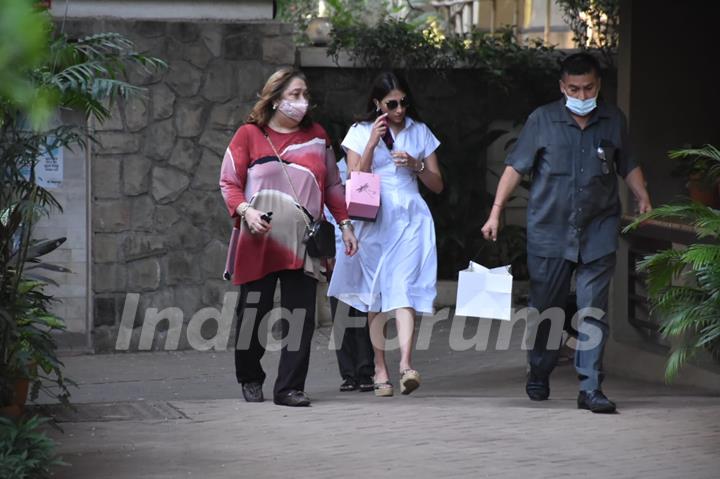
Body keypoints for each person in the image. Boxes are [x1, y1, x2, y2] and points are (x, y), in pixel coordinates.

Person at [481, 52, 652, 413]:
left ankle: (590, 387)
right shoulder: (542, 120)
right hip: (550, 231)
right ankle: (540, 368)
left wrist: (643, 197)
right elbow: (515, 168)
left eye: (588, 87)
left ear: (598, 85)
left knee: (593, 310)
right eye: (574, 88)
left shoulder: (612, 121)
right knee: (547, 309)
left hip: (599, 230)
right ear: (562, 87)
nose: (582, 93)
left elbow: (629, 162)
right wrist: (495, 212)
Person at [219, 67, 359, 407]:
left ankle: (289, 388)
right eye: (295, 95)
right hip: (259, 236)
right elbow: (229, 182)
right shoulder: (249, 135)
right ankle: (250, 376)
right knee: (253, 313)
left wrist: (345, 224)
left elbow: (331, 186)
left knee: (302, 316)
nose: (302, 101)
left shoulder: (318, 136)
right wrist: (246, 213)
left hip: (304, 238)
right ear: (276, 98)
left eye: (305, 95)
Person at [328, 72, 444, 397]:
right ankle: (380, 367)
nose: (399, 109)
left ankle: (406, 364)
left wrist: (417, 165)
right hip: (374, 217)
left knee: (404, 288)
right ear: (377, 103)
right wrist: (371, 143)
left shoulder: (419, 132)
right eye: (391, 103)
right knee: (375, 294)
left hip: (410, 215)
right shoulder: (360, 131)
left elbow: (437, 184)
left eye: (403, 102)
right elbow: (355, 178)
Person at [325, 157, 375, 393]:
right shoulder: (333, 172)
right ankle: (348, 374)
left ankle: (366, 371)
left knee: (364, 313)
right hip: (338, 253)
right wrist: (328, 253)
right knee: (341, 315)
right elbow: (325, 214)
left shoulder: (372, 170)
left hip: (365, 252)